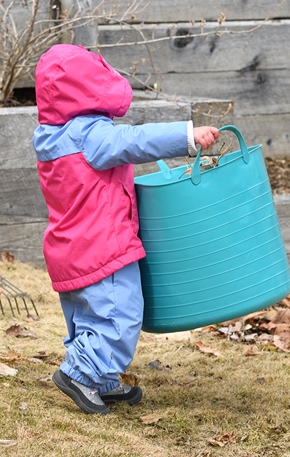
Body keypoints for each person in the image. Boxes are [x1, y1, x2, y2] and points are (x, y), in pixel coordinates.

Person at [32, 44, 220, 414]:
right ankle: (81, 374)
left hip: (69, 247)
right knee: (122, 314)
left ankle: (100, 379)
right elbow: (134, 140)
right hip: (103, 248)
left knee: (91, 317)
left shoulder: (51, 136)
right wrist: (186, 136)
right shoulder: (91, 136)